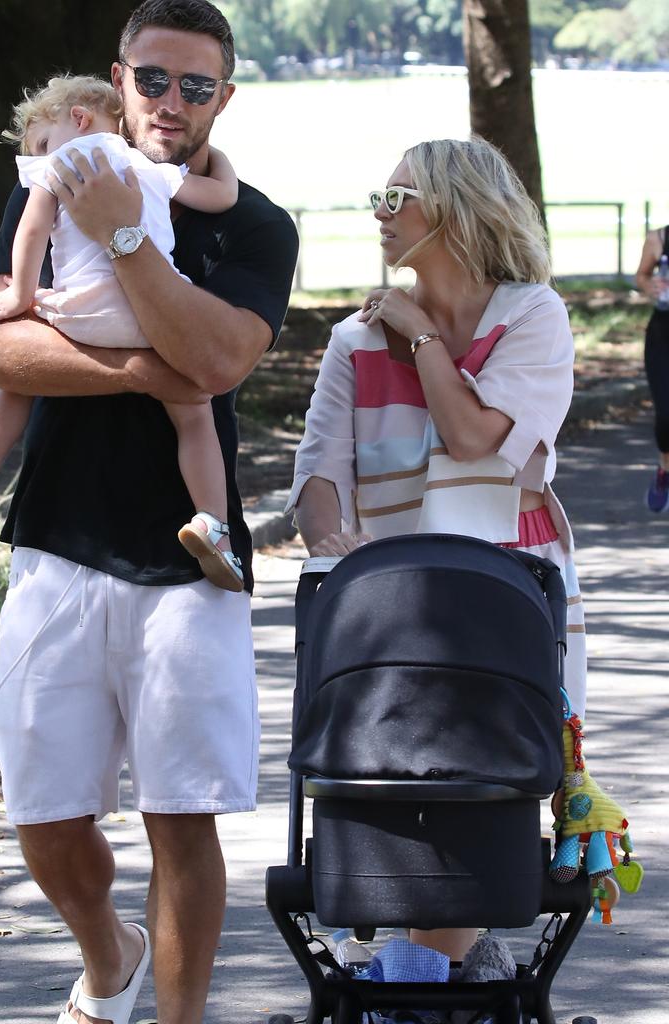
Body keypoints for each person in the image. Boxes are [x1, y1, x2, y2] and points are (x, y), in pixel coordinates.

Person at [0, 1, 298, 1022]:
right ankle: (110, 950)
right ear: (119, 79)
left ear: (224, 99)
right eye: (152, 79)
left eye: (196, 85)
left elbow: (222, 356)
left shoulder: (252, 224)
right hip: (58, 544)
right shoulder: (44, 181)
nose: (170, 101)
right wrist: (153, 371)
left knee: (181, 817)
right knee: (46, 820)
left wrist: (121, 232)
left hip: (193, 565)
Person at [286, 136, 587, 964]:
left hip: (507, 594)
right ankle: (436, 981)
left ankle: (409, 983)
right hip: (393, 607)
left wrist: (418, 333)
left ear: (451, 211)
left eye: (396, 200)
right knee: (399, 788)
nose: (378, 216)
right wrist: (327, 535)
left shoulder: (533, 317)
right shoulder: (355, 341)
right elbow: (319, 470)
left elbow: (473, 437)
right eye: (377, 200)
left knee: (474, 791)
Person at [0, 72, 245, 591]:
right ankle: (212, 523)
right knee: (195, 418)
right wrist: (220, 159)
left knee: (17, 377)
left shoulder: (60, 164)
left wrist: (20, 297)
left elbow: (32, 229)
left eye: (39, 141)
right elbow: (221, 196)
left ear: (77, 119)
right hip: (154, 312)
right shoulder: (146, 163)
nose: (35, 155)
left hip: (83, 313)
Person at [635, 224, 669, 513]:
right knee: (666, 415)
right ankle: (665, 468)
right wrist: (652, 286)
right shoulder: (659, 239)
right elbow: (642, 276)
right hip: (663, 336)